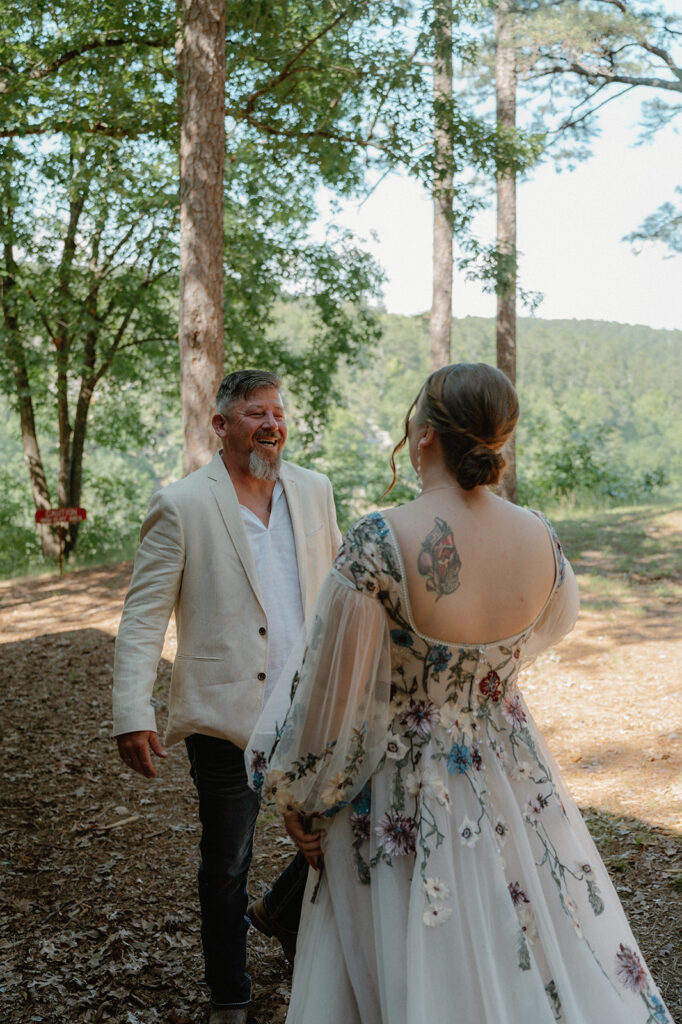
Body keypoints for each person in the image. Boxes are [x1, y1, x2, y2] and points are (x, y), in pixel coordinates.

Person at [247, 363, 674, 1024]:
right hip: (512, 776)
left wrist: (303, 795)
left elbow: (329, 688)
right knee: (522, 938)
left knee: (414, 961)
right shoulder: (539, 537)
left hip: (399, 788)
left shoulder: (379, 540)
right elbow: (553, 626)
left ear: (423, 436)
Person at [112, 369, 342, 1024]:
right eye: (254, 413)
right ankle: (230, 993)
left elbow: (340, 592)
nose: (272, 423)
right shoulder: (182, 504)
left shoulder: (314, 491)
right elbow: (142, 616)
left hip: (313, 704)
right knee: (226, 862)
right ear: (221, 425)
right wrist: (133, 711)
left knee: (339, 834)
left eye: (278, 412)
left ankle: (281, 912)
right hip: (225, 714)